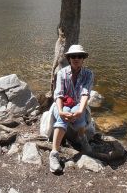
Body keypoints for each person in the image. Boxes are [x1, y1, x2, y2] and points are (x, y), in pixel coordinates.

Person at [49, 44, 94, 173]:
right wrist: (61, 110)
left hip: (78, 103)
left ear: (83, 59)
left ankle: (82, 139)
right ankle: (54, 154)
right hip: (63, 103)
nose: (76, 58)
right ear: (69, 58)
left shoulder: (88, 74)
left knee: (80, 118)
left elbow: (85, 93)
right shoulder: (62, 73)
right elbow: (58, 94)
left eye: (79, 56)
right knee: (63, 118)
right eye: (73, 56)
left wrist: (80, 110)